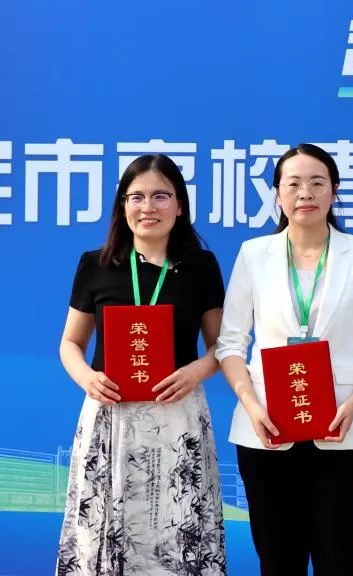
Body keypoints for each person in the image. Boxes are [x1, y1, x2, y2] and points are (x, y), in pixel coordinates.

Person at [216, 143, 353, 575]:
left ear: (334, 191)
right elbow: (230, 343)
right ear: (277, 193)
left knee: (339, 560)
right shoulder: (253, 254)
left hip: (342, 429)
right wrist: (252, 405)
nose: (305, 193)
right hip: (267, 429)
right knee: (278, 561)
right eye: (293, 183)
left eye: (317, 183)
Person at [56, 154, 226, 575]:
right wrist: (87, 377)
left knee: (178, 533)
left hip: (177, 418)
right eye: (136, 197)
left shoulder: (201, 266)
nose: (148, 207)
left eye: (160, 196)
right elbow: (71, 344)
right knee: (103, 536)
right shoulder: (95, 264)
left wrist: (196, 371)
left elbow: (221, 346)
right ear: (123, 206)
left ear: (180, 205)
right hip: (110, 418)